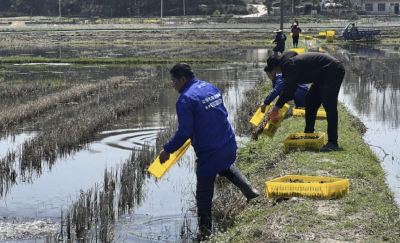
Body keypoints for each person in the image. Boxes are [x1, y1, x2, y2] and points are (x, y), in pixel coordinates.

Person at [159, 63, 259, 240]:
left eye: (174, 81)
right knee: (224, 166)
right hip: (227, 142)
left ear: (182, 79)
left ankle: (205, 233)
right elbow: (221, 114)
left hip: (210, 150)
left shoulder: (185, 99)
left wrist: (167, 150)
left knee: (203, 194)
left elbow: (184, 132)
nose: (173, 85)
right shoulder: (208, 86)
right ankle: (250, 191)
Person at [266, 51, 346, 152]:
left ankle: (333, 143)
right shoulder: (288, 61)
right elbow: (292, 88)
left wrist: (275, 109)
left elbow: (288, 90)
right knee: (310, 99)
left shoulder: (289, 65)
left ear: (276, 68)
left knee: (329, 105)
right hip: (321, 76)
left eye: (277, 72)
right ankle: (309, 133)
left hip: (333, 71)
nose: (279, 74)